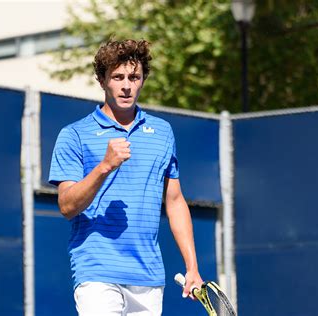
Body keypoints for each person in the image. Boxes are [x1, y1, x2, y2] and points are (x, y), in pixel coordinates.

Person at [49, 39, 203, 315]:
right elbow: (67, 206)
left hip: (148, 275)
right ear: (102, 80)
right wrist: (103, 167)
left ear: (143, 80)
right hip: (96, 269)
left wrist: (192, 267)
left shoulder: (163, 132)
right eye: (117, 77)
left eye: (134, 77)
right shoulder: (74, 134)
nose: (126, 85)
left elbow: (175, 201)